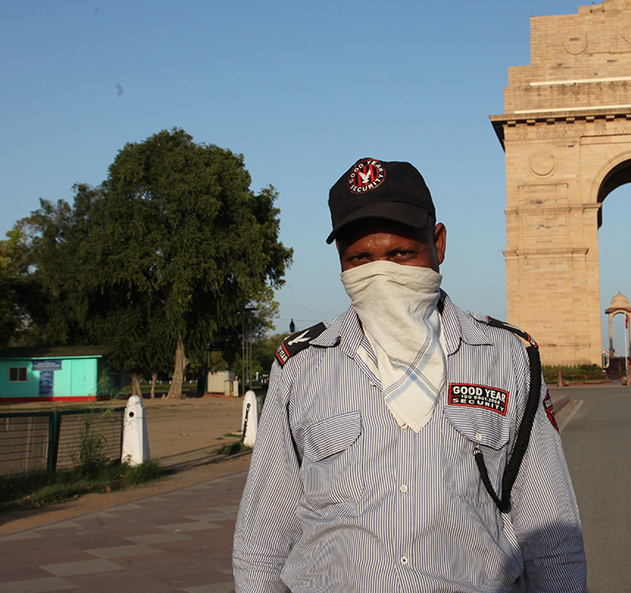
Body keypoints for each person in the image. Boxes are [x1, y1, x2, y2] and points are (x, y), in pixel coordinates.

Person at [233, 158, 586, 592]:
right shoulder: (302, 365)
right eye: (360, 259)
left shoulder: (506, 357)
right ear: (340, 261)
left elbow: (552, 535)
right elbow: (263, 539)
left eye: (400, 254)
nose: (381, 274)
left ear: (437, 244)